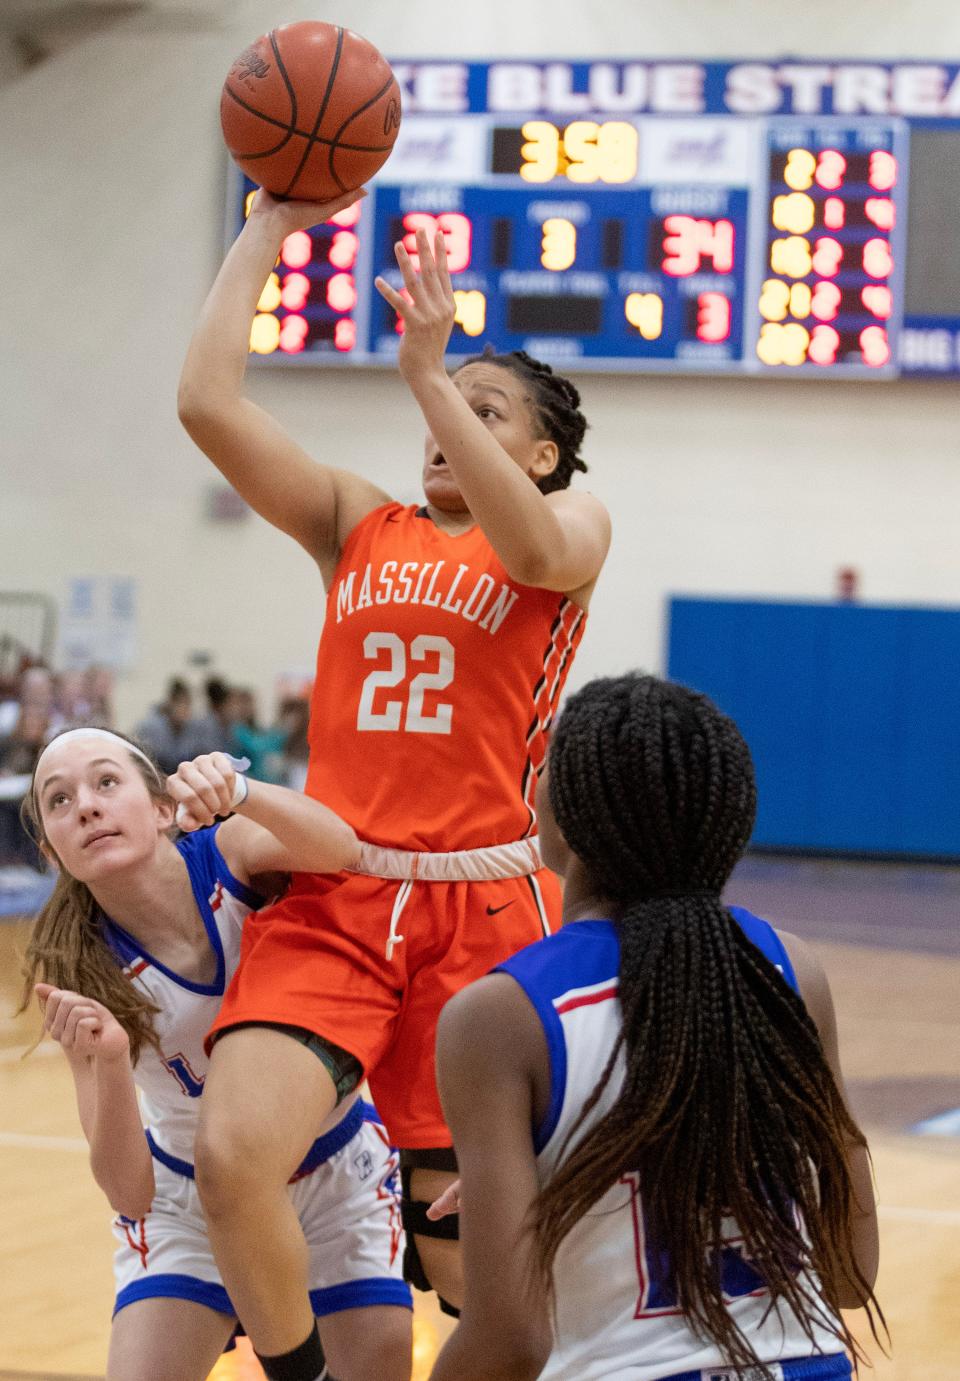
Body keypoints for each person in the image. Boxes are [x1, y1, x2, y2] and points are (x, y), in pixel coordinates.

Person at [176, 185, 611, 1375]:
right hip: (341, 888)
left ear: (539, 452)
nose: (446, 422)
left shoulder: (571, 530)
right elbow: (207, 403)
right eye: (443, 403)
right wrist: (267, 225)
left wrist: (429, 374)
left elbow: (528, 546)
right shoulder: (356, 522)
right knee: (231, 1154)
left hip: (482, 911)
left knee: (478, 1265)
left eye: (486, 408)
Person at [430, 672, 883, 1380]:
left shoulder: (499, 1016)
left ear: (565, 803)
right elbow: (852, 1273)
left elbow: (509, 1341)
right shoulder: (792, 972)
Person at [19, 728, 412, 1381]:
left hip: (334, 1175)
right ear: (50, 850)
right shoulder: (79, 966)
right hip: (187, 1202)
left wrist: (242, 792)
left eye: (106, 782)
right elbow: (130, 1190)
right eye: (59, 800)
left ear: (164, 806)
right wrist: (111, 1062)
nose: (85, 805)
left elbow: (342, 847)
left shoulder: (228, 854)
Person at [134, 677, 202, 774]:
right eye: (182, 704)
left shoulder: (192, 727)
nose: (186, 710)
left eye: (188, 705)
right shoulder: (149, 727)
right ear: (171, 703)